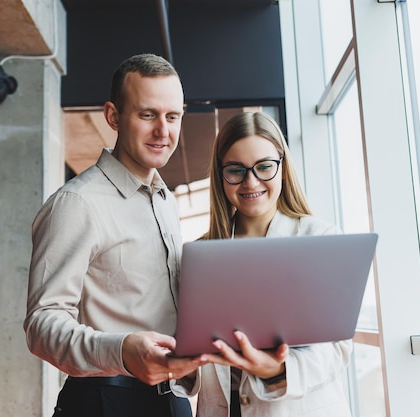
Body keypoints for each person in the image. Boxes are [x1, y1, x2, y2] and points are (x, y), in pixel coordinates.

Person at [23, 53, 203, 417]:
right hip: (104, 402)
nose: (163, 132)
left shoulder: (165, 200)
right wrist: (120, 351)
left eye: (172, 117)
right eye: (147, 114)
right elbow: (42, 325)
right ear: (113, 116)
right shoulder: (77, 203)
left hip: (172, 399)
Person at [172, 111, 353, 417]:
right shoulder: (200, 255)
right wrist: (182, 363)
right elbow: (190, 352)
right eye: (236, 170)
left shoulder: (318, 239)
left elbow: (337, 348)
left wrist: (277, 370)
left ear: (282, 167)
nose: (250, 181)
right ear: (221, 175)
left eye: (264, 167)